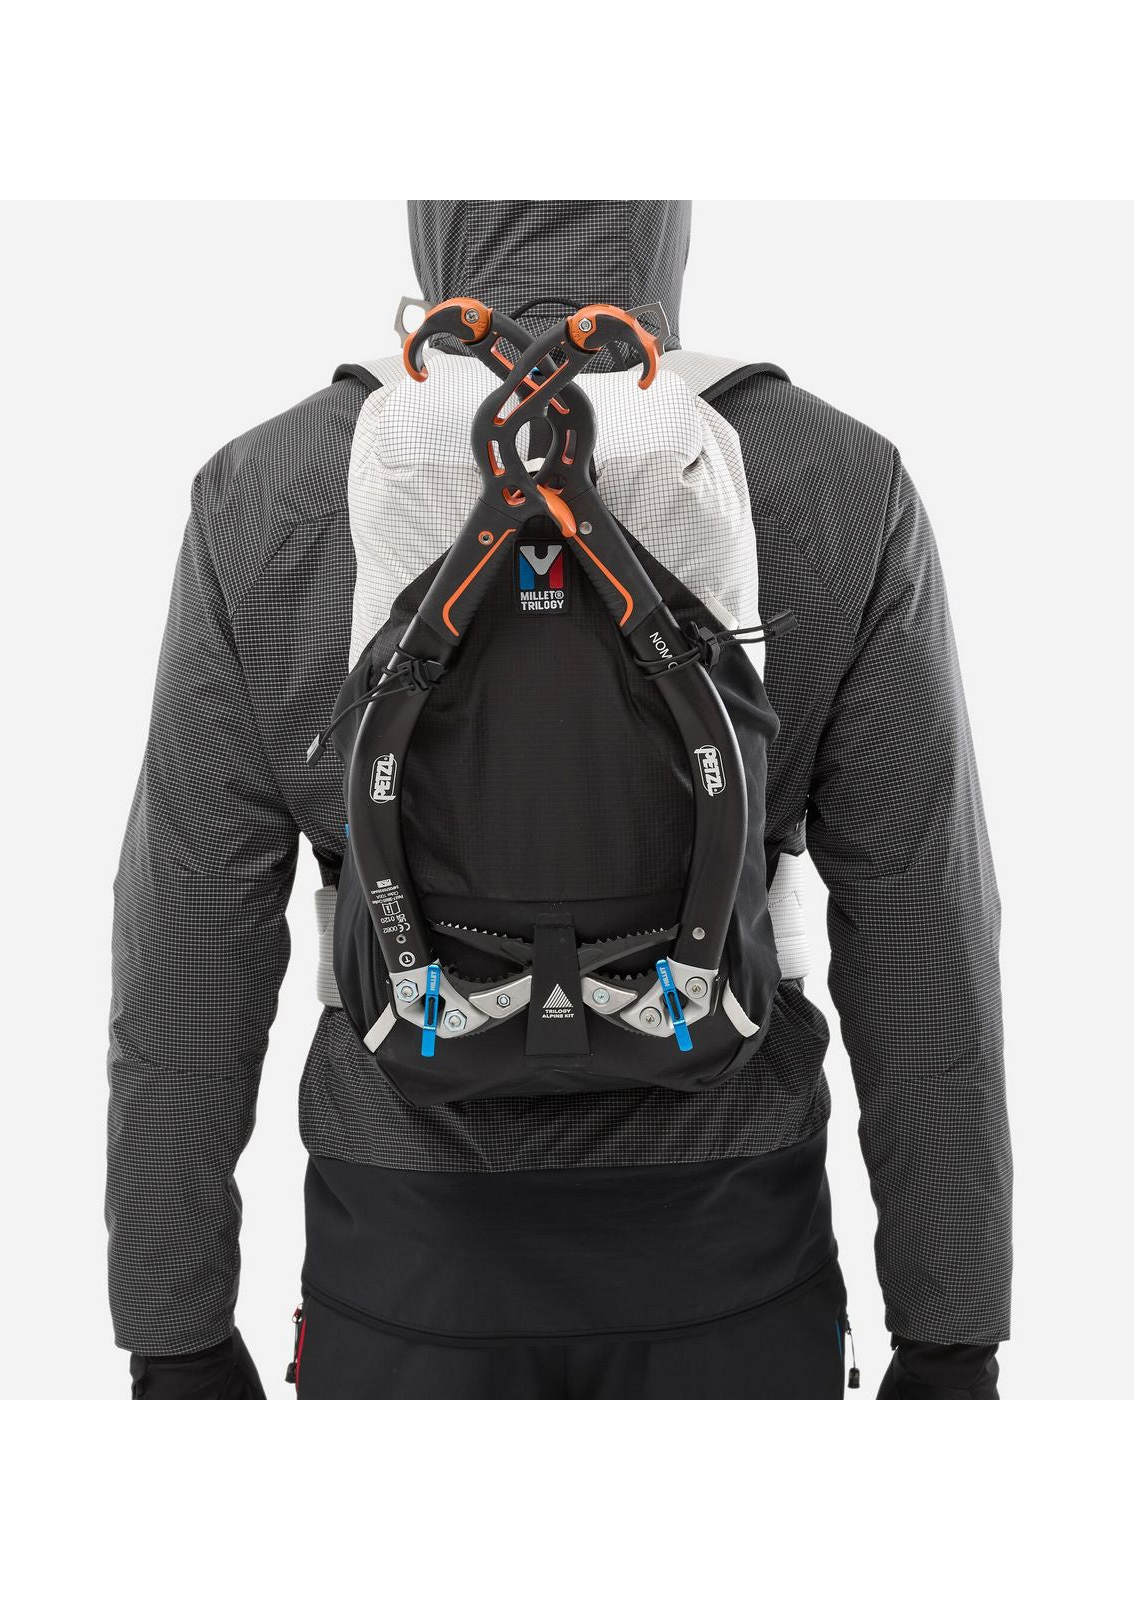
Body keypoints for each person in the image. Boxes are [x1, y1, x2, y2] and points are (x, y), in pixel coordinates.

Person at [109, 200, 1009, 1400]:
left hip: (406, 1263)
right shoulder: (836, 475)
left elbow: (189, 929)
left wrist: (173, 1331)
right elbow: (921, 918)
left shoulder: (268, 487)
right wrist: (952, 1332)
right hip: (733, 1256)